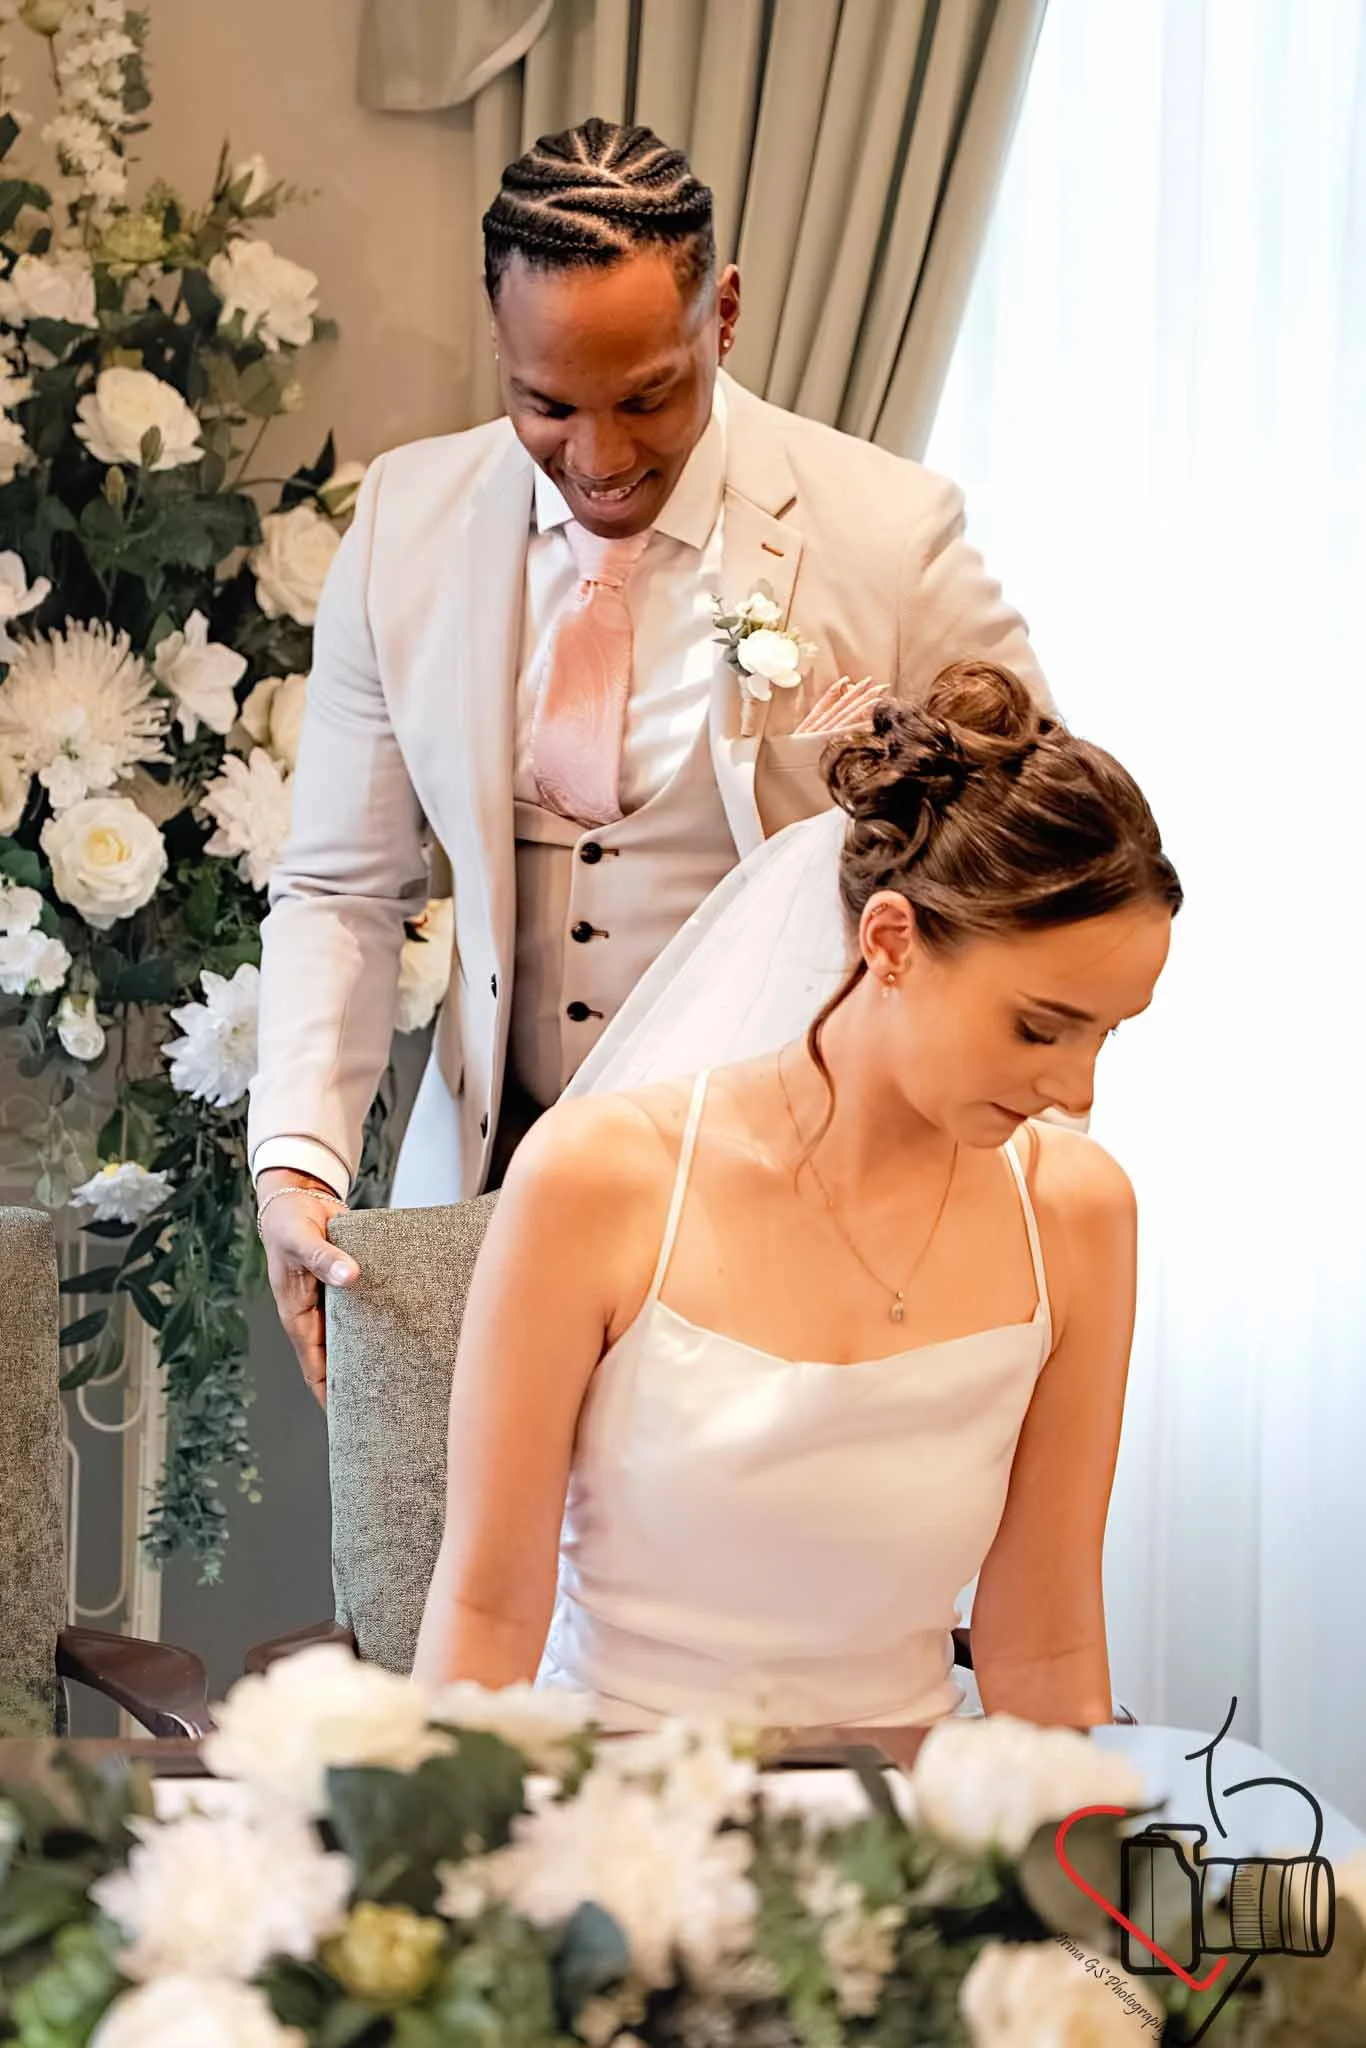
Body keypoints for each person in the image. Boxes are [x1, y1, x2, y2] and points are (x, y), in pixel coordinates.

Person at [247, 116, 1047, 1404]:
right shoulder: (403, 520)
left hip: (801, 1227)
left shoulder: (888, 537)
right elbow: (342, 887)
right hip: (485, 1217)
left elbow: (1034, 871)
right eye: (546, 404)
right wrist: (297, 1162)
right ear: (497, 338)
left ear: (721, 314)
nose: (602, 458)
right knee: (455, 1597)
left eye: (647, 396)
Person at [411, 663, 1182, 1732]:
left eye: (1108, 1032)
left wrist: (1083, 1888)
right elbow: (488, 1609)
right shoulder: (598, 1181)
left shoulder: (1078, 1215)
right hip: (620, 1823)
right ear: (891, 940)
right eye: (1039, 1027)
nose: (1077, 1086)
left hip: (911, 1846)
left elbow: (1045, 1642)